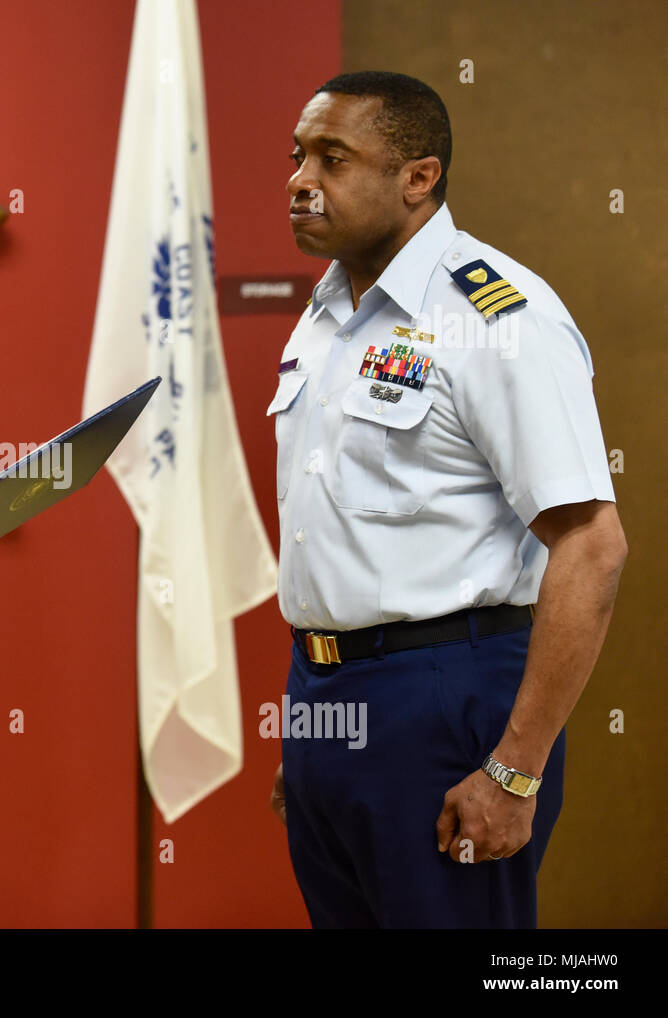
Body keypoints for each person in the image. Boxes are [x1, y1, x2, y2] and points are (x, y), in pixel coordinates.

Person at [265, 71, 625, 928]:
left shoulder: (497, 316)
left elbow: (592, 546)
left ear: (417, 178)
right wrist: (322, 735)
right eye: (296, 155)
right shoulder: (325, 317)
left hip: (448, 695)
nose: (299, 179)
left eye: (333, 157)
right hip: (326, 696)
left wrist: (514, 770)